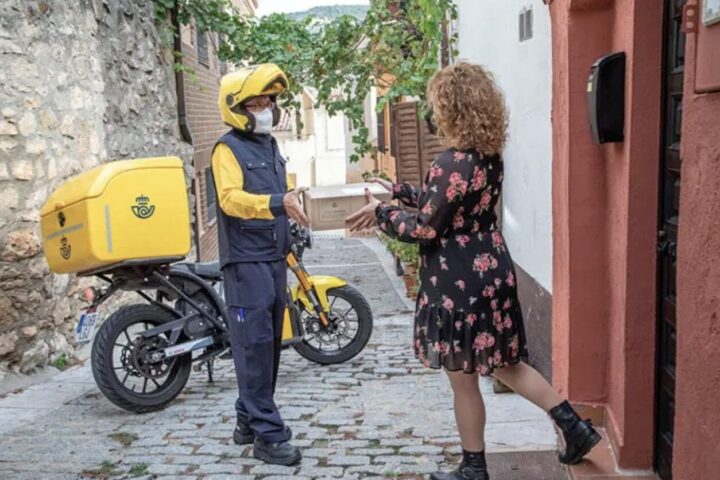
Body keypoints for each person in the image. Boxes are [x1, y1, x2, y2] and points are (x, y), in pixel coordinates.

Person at [346, 62, 600, 480]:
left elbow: (426, 227)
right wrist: (400, 190)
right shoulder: (487, 157)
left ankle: (473, 468)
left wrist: (382, 213)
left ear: (452, 108)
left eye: (437, 105)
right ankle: (574, 427)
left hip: (457, 281)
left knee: (463, 379)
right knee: (505, 364)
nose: (434, 112)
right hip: (492, 269)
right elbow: (449, 204)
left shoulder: (451, 161)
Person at [212, 63, 308, 466]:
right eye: (255, 104)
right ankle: (268, 436)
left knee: (268, 345)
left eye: (269, 102)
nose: (265, 109)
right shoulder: (227, 149)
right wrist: (276, 203)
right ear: (237, 108)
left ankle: (247, 420)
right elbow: (230, 199)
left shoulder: (268, 146)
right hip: (245, 261)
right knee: (253, 346)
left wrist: (291, 218)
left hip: (272, 258)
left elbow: (279, 195)